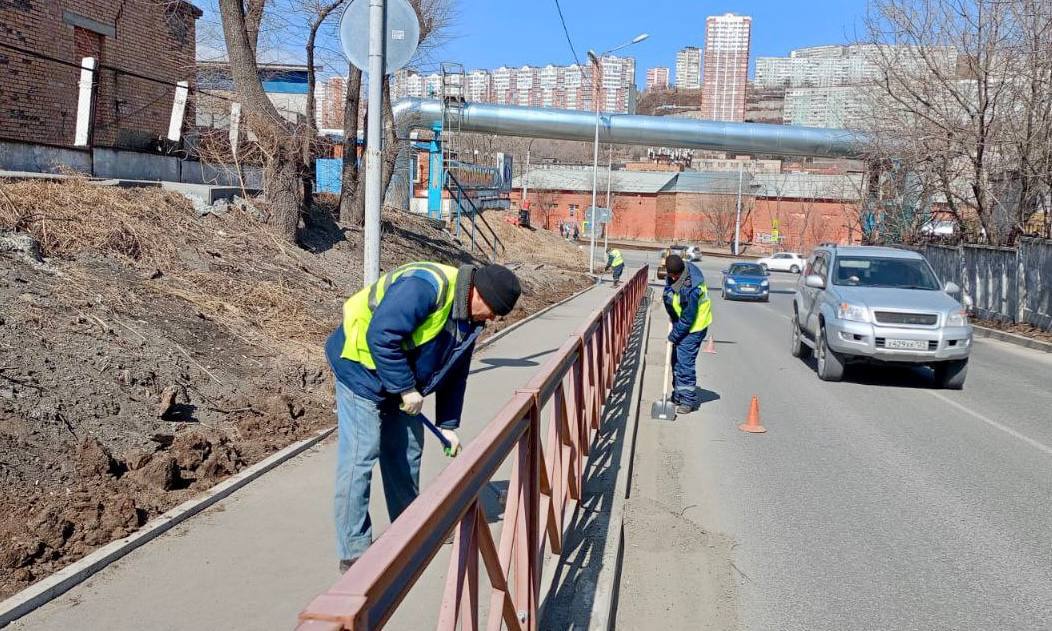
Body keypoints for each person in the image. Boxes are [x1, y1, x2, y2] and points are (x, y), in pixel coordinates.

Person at [325, 262, 522, 572]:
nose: (493, 319)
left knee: (407, 450)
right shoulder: (425, 287)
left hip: (395, 377)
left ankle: (408, 529)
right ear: (479, 294)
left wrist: (448, 425)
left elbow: (455, 372)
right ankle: (354, 553)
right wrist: (405, 388)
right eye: (494, 311)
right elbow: (381, 335)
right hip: (359, 367)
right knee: (361, 455)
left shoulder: (470, 319)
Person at [662, 254, 712, 414]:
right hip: (682, 324)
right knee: (675, 360)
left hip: (694, 328)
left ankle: (687, 401)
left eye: (671, 276)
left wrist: (674, 335)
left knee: (684, 363)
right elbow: (670, 295)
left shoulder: (691, 289)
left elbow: (688, 318)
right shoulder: (678, 274)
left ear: (677, 274)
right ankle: (678, 394)